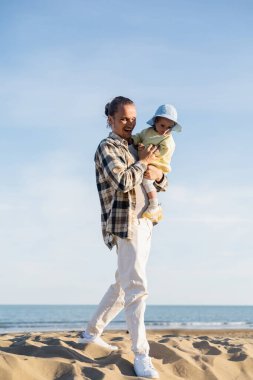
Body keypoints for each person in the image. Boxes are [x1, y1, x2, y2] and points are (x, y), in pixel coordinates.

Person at [78, 96, 168, 379]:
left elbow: (158, 179)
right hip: (125, 223)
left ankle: (90, 333)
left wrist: (156, 173)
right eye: (123, 118)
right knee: (137, 286)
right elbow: (122, 181)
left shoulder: (135, 144)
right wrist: (142, 164)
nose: (130, 123)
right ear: (111, 120)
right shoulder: (107, 147)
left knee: (123, 282)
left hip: (146, 221)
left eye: (133, 117)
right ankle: (142, 354)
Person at [132, 104, 182, 223]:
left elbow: (163, 151)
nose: (165, 129)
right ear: (155, 122)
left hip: (157, 163)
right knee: (144, 178)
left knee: (147, 180)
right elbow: (139, 136)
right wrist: (134, 141)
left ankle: (155, 205)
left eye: (169, 127)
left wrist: (149, 152)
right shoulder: (147, 132)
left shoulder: (167, 140)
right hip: (145, 159)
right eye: (162, 125)